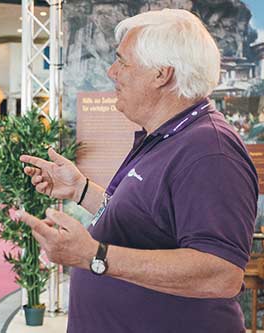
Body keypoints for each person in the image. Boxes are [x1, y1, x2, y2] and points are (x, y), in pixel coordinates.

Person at [16, 9, 258, 332]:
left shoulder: (211, 151)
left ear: (162, 74)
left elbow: (222, 272)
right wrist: (80, 190)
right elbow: (145, 223)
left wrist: (95, 256)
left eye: (123, 63)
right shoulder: (167, 136)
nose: (112, 72)